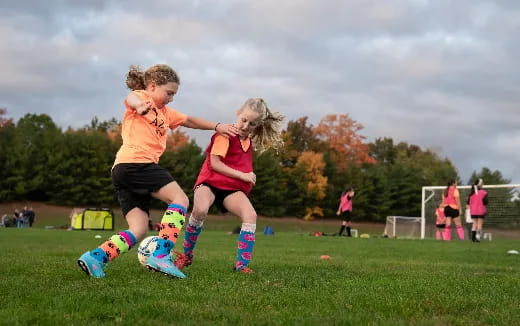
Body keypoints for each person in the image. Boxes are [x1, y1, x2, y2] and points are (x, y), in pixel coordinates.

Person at [77, 64, 238, 279]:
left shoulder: (166, 113)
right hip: (137, 163)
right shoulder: (142, 97)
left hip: (123, 170)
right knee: (180, 199)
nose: (171, 98)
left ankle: (95, 258)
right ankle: (161, 256)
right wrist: (142, 106)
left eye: (174, 95)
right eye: (169, 93)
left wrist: (216, 126)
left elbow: (189, 120)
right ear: (152, 86)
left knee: (139, 228)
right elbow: (132, 99)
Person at [174, 98, 284, 274]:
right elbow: (215, 164)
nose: (246, 125)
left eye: (252, 123)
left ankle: (242, 266)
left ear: (257, 125)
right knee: (200, 210)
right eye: (244, 120)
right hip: (209, 182)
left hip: (231, 189)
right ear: (238, 114)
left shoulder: (249, 140)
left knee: (250, 215)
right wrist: (243, 175)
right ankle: (186, 255)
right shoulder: (225, 134)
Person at [467, 178, 488, 242]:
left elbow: (468, 203)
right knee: (479, 225)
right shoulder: (484, 193)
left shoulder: (471, 194)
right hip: (481, 211)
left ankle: (473, 239)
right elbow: (485, 202)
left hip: (473, 211)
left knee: (474, 224)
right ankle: (478, 238)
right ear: (480, 184)